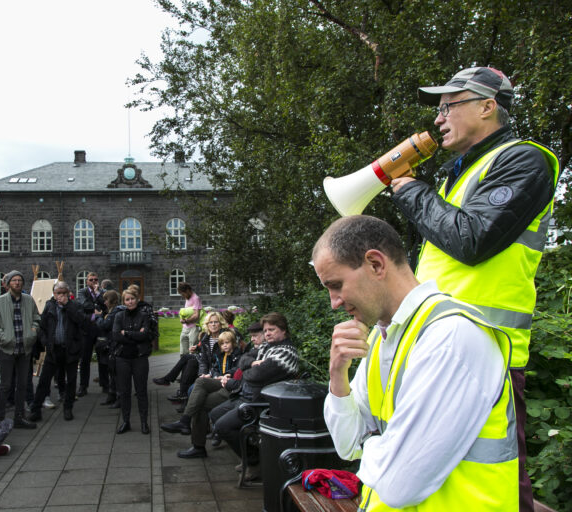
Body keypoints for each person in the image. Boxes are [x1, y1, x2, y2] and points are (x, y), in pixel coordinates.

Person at [392, 67, 559, 511]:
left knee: (498, 478)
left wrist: (409, 190)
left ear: (488, 107)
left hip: (488, 353)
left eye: (449, 106)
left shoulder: (525, 160)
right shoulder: (458, 174)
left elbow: (471, 240)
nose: (439, 118)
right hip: (435, 349)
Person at [314, 215, 516, 510]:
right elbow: (347, 445)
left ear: (376, 264)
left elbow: (398, 485)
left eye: (335, 284)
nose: (333, 302)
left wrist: (373, 443)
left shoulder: (450, 337)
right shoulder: (386, 337)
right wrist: (337, 375)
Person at [203, 312, 299, 469]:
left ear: (283, 330)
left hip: (260, 404)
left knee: (222, 426)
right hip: (245, 396)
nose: (267, 333)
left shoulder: (285, 353)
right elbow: (243, 359)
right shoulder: (266, 346)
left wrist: (249, 369)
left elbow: (255, 375)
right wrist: (254, 363)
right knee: (214, 414)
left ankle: (253, 461)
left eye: (272, 330)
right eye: (266, 330)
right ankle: (251, 453)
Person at [161, 331, 241, 445]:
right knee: (199, 384)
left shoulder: (237, 354)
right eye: (222, 344)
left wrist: (227, 374)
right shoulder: (220, 355)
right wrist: (212, 374)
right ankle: (194, 440)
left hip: (230, 384)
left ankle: (186, 423)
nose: (225, 346)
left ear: (233, 343)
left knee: (199, 394)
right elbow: (214, 367)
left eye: (227, 343)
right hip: (219, 380)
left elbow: (238, 367)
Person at [0, 270, 40, 429]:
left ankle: (19, 417)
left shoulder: (29, 301)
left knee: (23, 384)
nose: (17, 283)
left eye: (19, 280)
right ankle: (0, 419)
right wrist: (3, 337)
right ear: (8, 283)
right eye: (14, 280)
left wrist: (33, 332)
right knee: (5, 385)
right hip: (7, 349)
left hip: (24, 349)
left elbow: (37, 318)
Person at [28, 281, 85, 422]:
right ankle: (36, 409)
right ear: (54, 294)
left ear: (68, 294)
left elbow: (82, 322)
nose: (61, 296)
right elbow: (42, 326)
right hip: (54, 349)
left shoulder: (75, 306)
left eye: (64, 293)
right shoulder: (49, 306)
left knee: (71, 381)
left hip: (70, 349)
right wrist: (46, 341)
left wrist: (67, 306)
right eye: (58, 293)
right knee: (44, 380)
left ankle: (68, 408)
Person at [112, 287, 152, 434]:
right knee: (124, 391)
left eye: (132, 298)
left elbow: (146, 335)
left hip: (139, 357)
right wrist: (135, 335)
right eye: (127, 300)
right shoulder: (119, 316)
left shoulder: (144, 315)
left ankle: (143, 422)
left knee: (141, 391)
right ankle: (126, 421)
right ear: (124, 302)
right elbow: (116, 336)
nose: (130, 302)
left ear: (137, 299)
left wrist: (127, 333)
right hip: (122, 358)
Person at [77, 272, 107, 397]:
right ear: (87, 281)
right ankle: (83, 386)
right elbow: (84, 304)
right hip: (87, 329)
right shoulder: (82, 292)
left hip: (100, 329)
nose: (94, 281)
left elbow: (106, 305)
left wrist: (97, 294)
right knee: (85, 359)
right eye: (91, 279)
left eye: (96, 279)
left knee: (103, 357)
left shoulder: (103, 292)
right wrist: (95, 310)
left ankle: (105, 384)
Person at [95, 290, 124, 406]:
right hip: (112, 344)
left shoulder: (115, 312)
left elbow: (105, 325)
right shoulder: (113, 311)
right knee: (112, 372)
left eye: (106, 300)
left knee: (115, 373)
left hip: (114, 345)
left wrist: (98, 317)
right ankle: (112, 396)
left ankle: (118, 397)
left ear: (111, 300)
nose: (105, 302)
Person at [177, 282, 202, 355]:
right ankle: (184, 366)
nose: (183, 296)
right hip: (185, 328)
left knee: (193, 352)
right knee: (183, 352)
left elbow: (196, 315)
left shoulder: (196, 298)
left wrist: (186, 321)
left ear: (187, 290)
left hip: (194, 328)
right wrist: (182, 319)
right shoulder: (187, 298)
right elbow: (187, 312)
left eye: (183, 294)